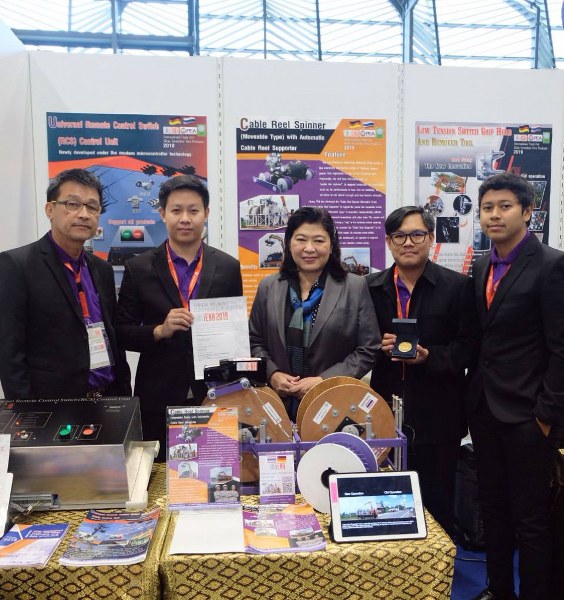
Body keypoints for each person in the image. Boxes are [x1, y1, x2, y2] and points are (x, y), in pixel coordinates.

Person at [467, 172, 564, 600]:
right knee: (493, 511)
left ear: (527, 211)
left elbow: (560, 348)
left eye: (504, 206)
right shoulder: (482, 265)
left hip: (528, 417)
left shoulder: (552, 265)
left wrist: (545, 415)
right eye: (487, 208)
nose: (494, 215)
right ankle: (499, 590)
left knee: (530, 519)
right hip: (485, 411)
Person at [366, 206, 477, 538]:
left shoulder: (458, 286)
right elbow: (358, 342)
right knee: (384, 503)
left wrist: (430, 356)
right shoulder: (370, 287)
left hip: (439, 412)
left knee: (437, 502)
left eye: (416, 234)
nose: (408, 243)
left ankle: (438, 568)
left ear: (430, 238)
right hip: (384, 409)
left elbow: (469, 347)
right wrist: (378, 346)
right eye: (399, 236)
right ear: (389, 242)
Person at [115, 174, 243, 460]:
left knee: (214, 468)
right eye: (176, 210)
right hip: (158, 392)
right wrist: (159, 330)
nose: (185, 219)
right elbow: (121, 332)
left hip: (213, 391)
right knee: (159, 470)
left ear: (206, 213)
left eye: (193, 210)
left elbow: (234, 333)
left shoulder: (228, 267)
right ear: (162, 213)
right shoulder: (139, 268)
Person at [0, 168, 131, 399]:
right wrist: (26, 411)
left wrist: (123, 396)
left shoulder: (102, 269)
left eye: (92, 207)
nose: (84, 214)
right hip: (52, 406)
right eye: (73, 204)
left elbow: (112, 338)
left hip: (107, 399)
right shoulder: (17, 265)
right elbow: (10, 352)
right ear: (50, 210)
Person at [249, 206, 380, 421]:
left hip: (333, 405)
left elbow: (369, 349)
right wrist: (272, 374)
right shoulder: (269, 286)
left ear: (331, 245)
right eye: (301, 239)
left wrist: (324, 381)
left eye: (319, 240)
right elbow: (254, 340)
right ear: (289, 242)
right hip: (275, 405)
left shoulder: (354, 287)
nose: (309, 248)